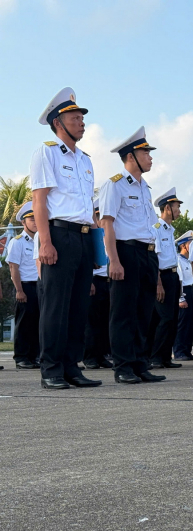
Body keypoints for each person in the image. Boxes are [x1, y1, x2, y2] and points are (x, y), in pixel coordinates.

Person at [31, 87, 100, 389]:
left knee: (78, 307)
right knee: (56, 307)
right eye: (75, 118)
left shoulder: (85, 159)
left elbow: (88, 210)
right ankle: (51, 369)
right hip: (59, 235)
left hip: (83, 238)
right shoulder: (46, 152)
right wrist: (45, 242)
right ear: (58, 122)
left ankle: (72, 367)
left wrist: (95, 250)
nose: (81, 122)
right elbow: (39, 200)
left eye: (82, 118)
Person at [99, 126, 165, 385]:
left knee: (143, 312)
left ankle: (140, 364)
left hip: (147, 253)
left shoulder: (145, 188)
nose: (150, 157)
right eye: (145, 152)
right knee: (123, 312)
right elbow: (107, 223)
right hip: (126, 252)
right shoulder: (114, 184)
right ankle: (123, 366)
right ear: (130, 156)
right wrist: (114, 260)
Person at [148, 188, 183, 369]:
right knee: (163, 318)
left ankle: (165, 357)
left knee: (173, 318)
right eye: (177, 207)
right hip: (162, 277)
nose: (179, 211)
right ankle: (155, 357)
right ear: (168, 208)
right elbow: (154, 259)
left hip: (173, 276)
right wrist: (158, 284)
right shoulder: (157, 229)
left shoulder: (170, 230)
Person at [6, 201, 40, 369]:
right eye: (31, 219)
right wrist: (19, 290)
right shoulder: (17, 242)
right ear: (23, 222)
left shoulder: (40, 240)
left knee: (38, 323)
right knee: (24, 323)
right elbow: (13, 267)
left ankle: (34, 356)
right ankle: (21, 357)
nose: (35, 222)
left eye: (37, 218)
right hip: (25, 287)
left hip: (39, 286)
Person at [84, 201, 112, 369]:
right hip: (95, 280)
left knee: (104, 321)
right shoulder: (92, 236)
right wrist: (89, 281)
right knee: (92, 321)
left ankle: (101, 355)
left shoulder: (110, 235)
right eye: (99, 217)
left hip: (108, 281)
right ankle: (90, 356)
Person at [173, 231, 193, 361]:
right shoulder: (178, 260)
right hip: (184, 292)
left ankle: (187, 350)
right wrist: (180, 298)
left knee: (190, 324)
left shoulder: (191, 260)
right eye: (190, 243)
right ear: (183, 246)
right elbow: (179, 280)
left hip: (192, 291)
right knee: (182, 324)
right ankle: (179, 351)